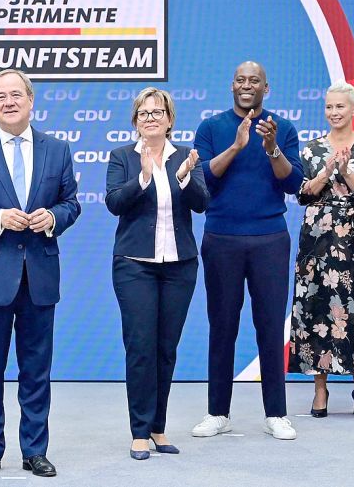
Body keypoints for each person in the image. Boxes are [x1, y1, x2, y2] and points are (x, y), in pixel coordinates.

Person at [0, 68, 81, 478]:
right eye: (0, 96)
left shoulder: (57, 149)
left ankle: (34, 450)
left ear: (31, 100)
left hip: (40, 277)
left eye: (16, 95)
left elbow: (71, 203)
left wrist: (53, 217)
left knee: (36, 372)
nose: (8, 102)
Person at [191, 61, 303, 441]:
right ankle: (217, 412)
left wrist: (271, 149)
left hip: (270, 239)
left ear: (265, 88)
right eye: (240, 79)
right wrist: (238, 146)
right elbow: (202, 177)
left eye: (254, 80)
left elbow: (294, 184)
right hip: (221, 238)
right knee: (222, 326)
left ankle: (276, 413)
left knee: (270, 328)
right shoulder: (211, 128)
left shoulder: (282, 129)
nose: (246, 85)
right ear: (231, 84)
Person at [105, 87, 209, 459]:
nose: (151, 118)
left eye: (158, 112)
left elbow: (202, 204)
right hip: (134, 267)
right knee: (141, 348)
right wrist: (144, 179)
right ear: (135, 121)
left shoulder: (185, 156)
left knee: (166, 349)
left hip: (179, 266)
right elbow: (114, 203)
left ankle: (158, 428)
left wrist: (184, 177)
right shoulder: (122, 157)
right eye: (144, 113)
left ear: (169, 119)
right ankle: (138, 431)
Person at [288, 81, 354, 419]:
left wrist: (345, 172)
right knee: (317, 307)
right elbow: (302, 193)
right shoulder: (311, 149)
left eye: (340, 107)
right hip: (318, 238)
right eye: (329, 107)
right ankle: (320, 388)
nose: (334, 112)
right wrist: (327, 173)